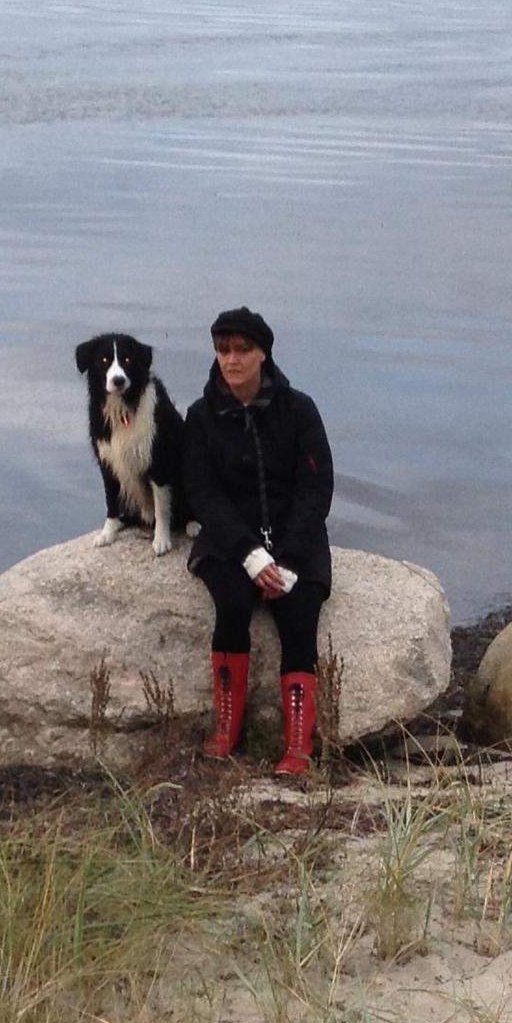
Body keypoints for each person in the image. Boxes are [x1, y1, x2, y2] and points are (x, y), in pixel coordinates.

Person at [183, 307, 334, 775]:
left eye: (242, 350)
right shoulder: (200, 417)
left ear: (263, 353)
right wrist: (249, 555)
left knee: (299, 610)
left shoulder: (300, 410)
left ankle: (298, 746)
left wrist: (288, 558)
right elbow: (203, 493)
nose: (232, 359)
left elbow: (317, 488)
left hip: (295, 540)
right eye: (223, 350)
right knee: (231, 604)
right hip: (230, 542)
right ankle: (227, 730)